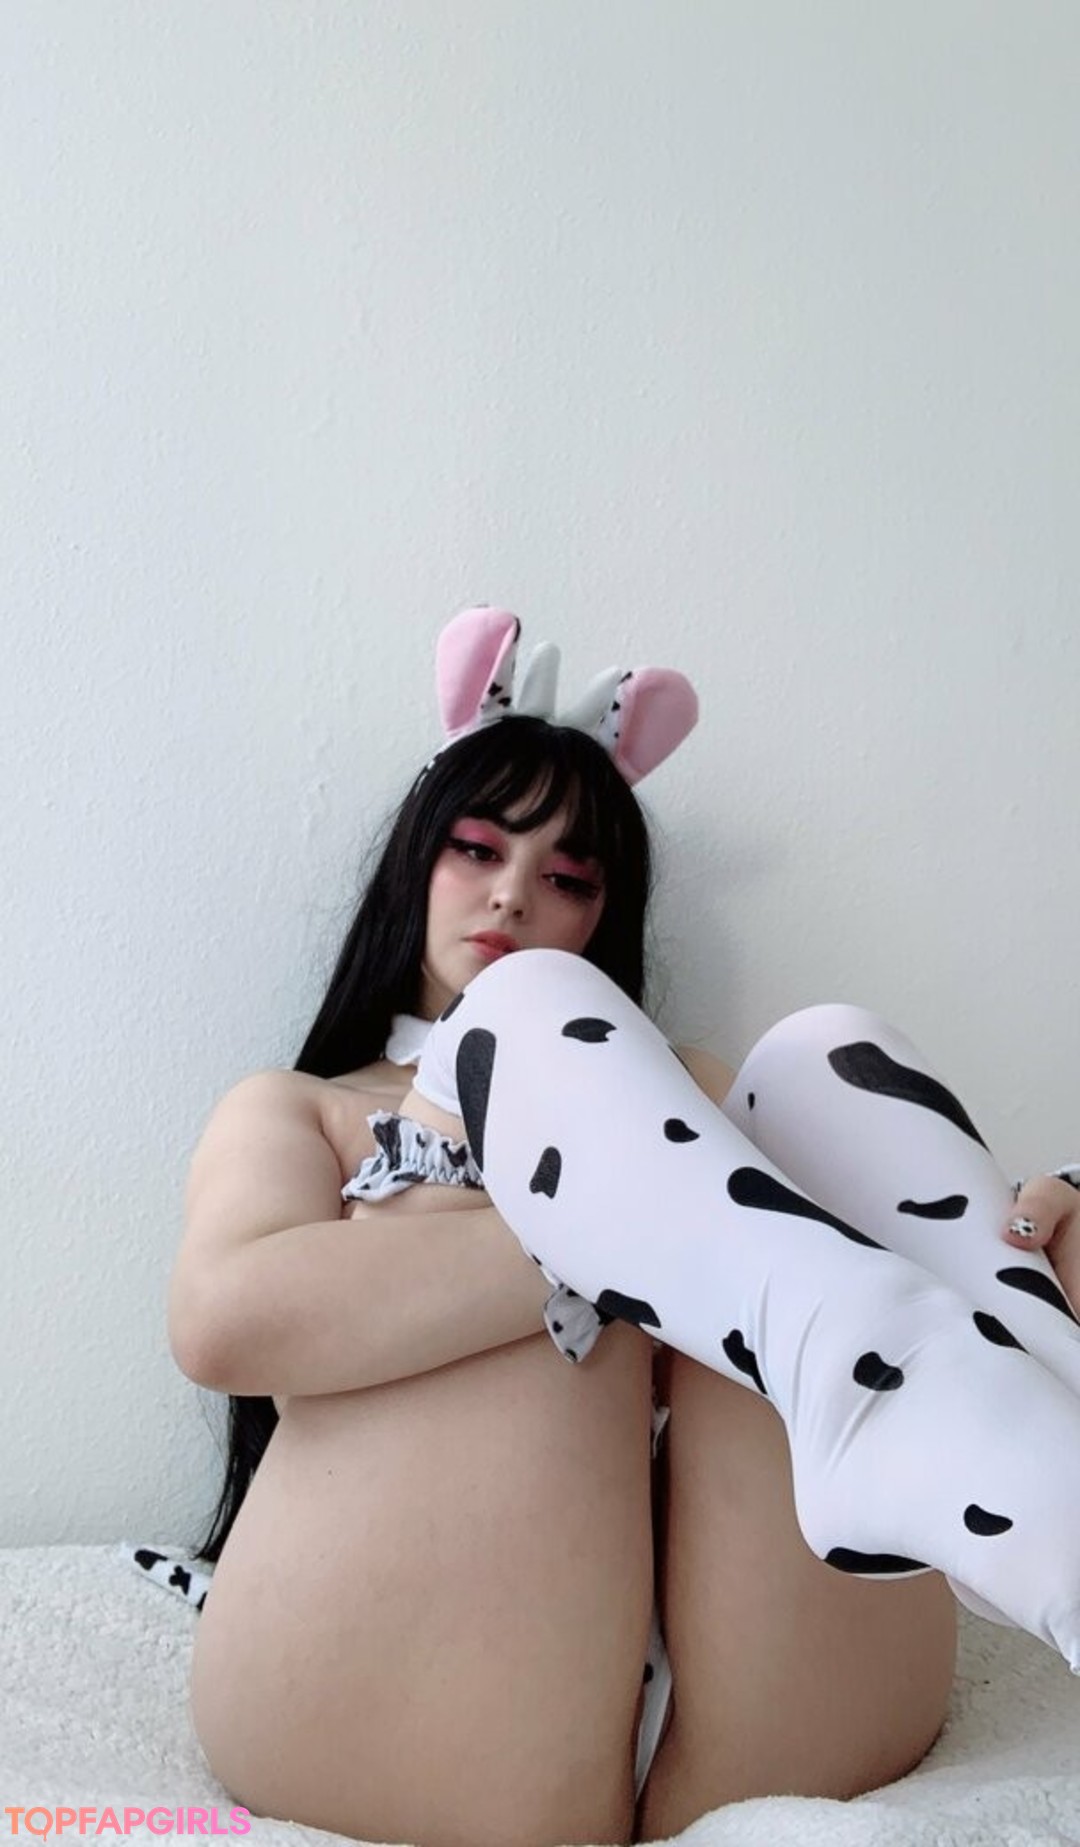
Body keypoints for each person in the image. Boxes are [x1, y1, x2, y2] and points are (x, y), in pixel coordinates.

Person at [166, 609, 1080, 1847]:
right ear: (412, 864)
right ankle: (902, 1358)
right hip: (407, 1694)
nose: (511, 891)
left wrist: (1022, 1239)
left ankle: (1052, 1418)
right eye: (477, 848)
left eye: (569, 877)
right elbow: (223, 1321)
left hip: (759, 1704)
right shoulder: (306, 1108)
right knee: (531, 1023)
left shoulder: (690, 1093)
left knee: (827, 1063)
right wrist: (594, 1226)